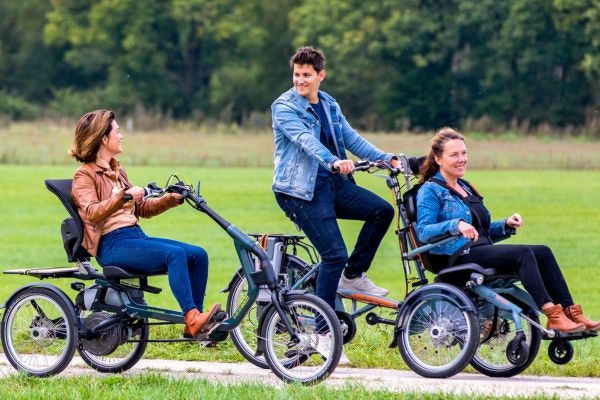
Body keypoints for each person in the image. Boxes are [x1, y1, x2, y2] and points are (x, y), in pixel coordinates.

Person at [416, 127, 600, 333]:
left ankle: (571, 312)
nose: (462, 159)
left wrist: (505, 224)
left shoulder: (465, 186)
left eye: (464, 153)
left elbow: (481, 230)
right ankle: (552, 315)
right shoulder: (430, 190)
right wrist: (455, 224)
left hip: (478, 250)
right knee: (523, 254)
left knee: (543, 251)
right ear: (438, 159)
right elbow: (423, 231)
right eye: (454, 155)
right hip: (455, 256)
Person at [70, 109, 220, 340]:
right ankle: (191, 317)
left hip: (134, 236)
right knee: (175, 255)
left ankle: (197, 323)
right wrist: (124, 196)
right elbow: (91, 213)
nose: (122, 136)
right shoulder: (85, 176)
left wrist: (171, 199)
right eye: (118, 132)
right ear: (103, 138)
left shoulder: (118, 172)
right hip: (111, 245)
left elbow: (142, 209)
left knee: (198, 255)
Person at [271, 46, 401, 312]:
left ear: (321, 75)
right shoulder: (284, 107)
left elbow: (352, 138)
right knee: (334, 255)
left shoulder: (329, 105)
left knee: (382, 211)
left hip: (331, 184)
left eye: (306, 75)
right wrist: (333, 161)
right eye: (296, 74)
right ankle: (323, 330)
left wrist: (385, 159)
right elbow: (304, 140)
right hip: (299, 192)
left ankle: (353, 276)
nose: (300, 81)